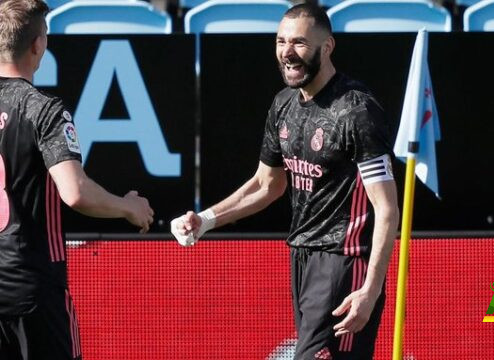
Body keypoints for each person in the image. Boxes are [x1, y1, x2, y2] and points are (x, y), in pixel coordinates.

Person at [171, 4, 399, 359]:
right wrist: (205, 220)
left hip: (344, 261)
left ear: (327, 47)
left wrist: (370, 288)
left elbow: (386, 209)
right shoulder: (283, 104)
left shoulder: (356, 110)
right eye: (281, 42)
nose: (287, 53)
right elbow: (267, 184)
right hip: (301, 257)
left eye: (299, 43)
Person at [0, 0, 155, 358]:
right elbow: (75, 192)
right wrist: (129, 208)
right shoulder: (43, 110)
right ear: (38, 44)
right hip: (33, 290)